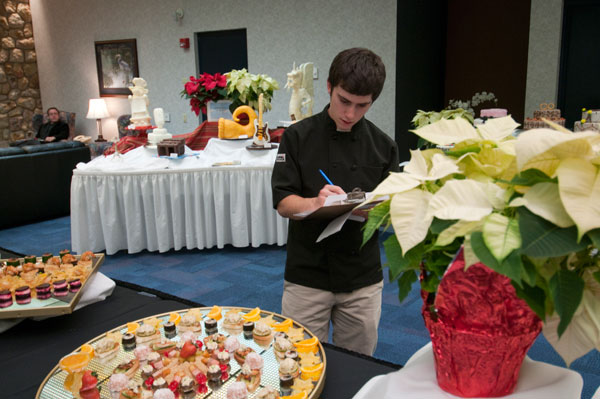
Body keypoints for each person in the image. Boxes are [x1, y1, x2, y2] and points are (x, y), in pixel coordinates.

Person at [271, 48, 399, 356]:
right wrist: (316, 202)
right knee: (298, 362)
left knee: (357, 364)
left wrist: (378, 212)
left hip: (361, 278)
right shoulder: (297, 137)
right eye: (344, 100)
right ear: (329, 86)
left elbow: (393, 210)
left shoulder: (384, 146)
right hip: (308, 274)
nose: (350, 114)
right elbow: (283, 202)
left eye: (362, 105)